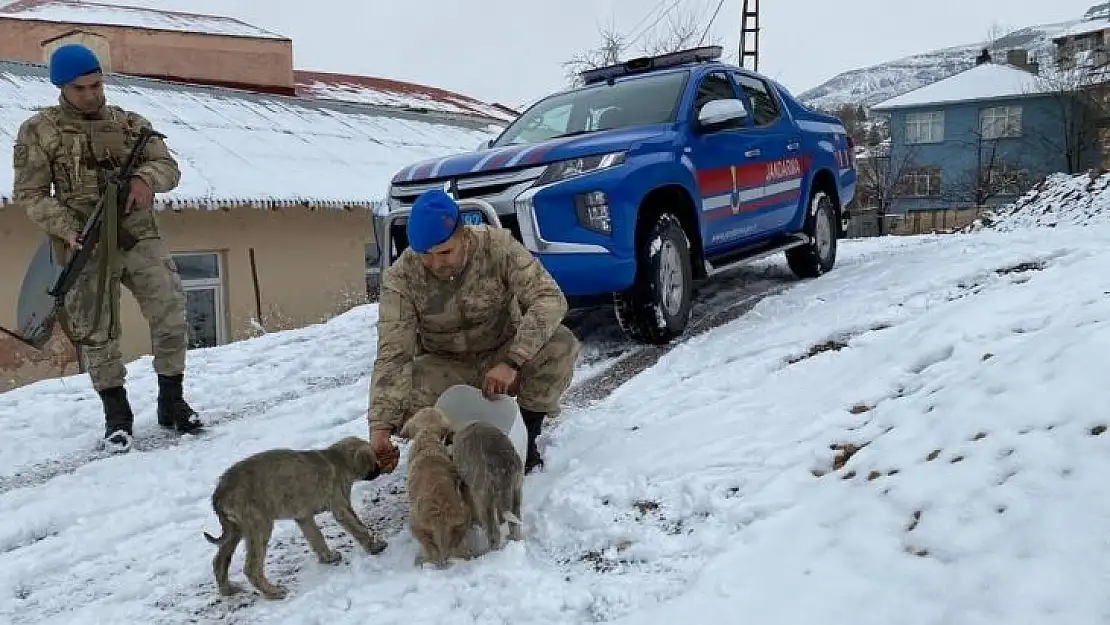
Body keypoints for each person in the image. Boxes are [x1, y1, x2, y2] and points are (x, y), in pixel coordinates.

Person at [11, 43, 204, 453]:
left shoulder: (131, 124)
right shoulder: (39, 131)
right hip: (83, 239)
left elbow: (168, 165)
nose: (91, 94)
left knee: (170, 312)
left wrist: (146, 180)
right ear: (62, 87)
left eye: (97, 84)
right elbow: (29, 194)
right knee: (97, 331)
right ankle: (117, 416)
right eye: (80, 88)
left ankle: (172, 401)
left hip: (137, 234)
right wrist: (66, 228)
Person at [368, 188, 579, 474]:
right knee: (405, 394)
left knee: (560, 345)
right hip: (445, 366)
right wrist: (380, 431)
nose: (436, 263)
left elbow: (550, 298)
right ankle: (453, 443)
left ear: (464, 235)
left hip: (501, 353)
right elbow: (394, 354)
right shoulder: (401, 277)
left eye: (444, 252)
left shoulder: (498, 247)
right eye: (425, 255)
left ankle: (527, 434)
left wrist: (513, 360)